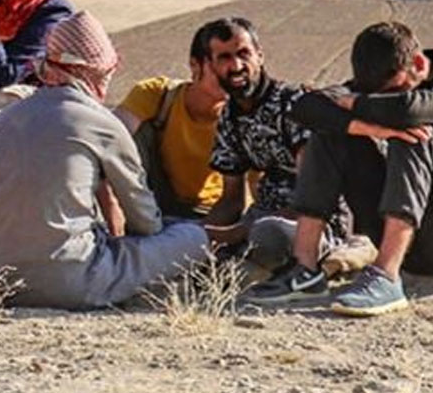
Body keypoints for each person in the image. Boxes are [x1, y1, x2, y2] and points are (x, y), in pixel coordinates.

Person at [0, 10, 209, 309]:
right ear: (96, 71)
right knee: (192, 236)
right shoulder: (99, 121)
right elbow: (145, 221)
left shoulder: (8, 116)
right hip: (70, 283)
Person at [244, 22, 433, 314]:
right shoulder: (382, 74)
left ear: (419, 63)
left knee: (412, 135)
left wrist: (352, 102)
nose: (382, 99)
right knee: (330, 132)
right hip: (408, 239)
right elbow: (306, 107)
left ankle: (386, 276)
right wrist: (366, 126)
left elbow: (408, 109)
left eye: (393, 91)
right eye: (375, 95)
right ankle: (305, 269)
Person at [201, 17, 350, 268]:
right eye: (224, 58)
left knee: (269, 235)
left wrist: (242, 231)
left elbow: (313, 195)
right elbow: (231, 200)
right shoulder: (229, 117)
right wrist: (203, 234)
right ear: (212, 65)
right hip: (260, 217)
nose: (236, 65)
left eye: (244, 54)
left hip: (314, 221)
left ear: (260, 56)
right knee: (185, 237)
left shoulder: (293, 104)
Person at [114, 21, 229, 218]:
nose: (232, 70)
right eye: (221, 62)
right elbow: (106, 144)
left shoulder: (249, 116)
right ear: (195, 65)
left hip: (211, 213)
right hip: (155, 204)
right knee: (126, 137)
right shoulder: (158, 96)